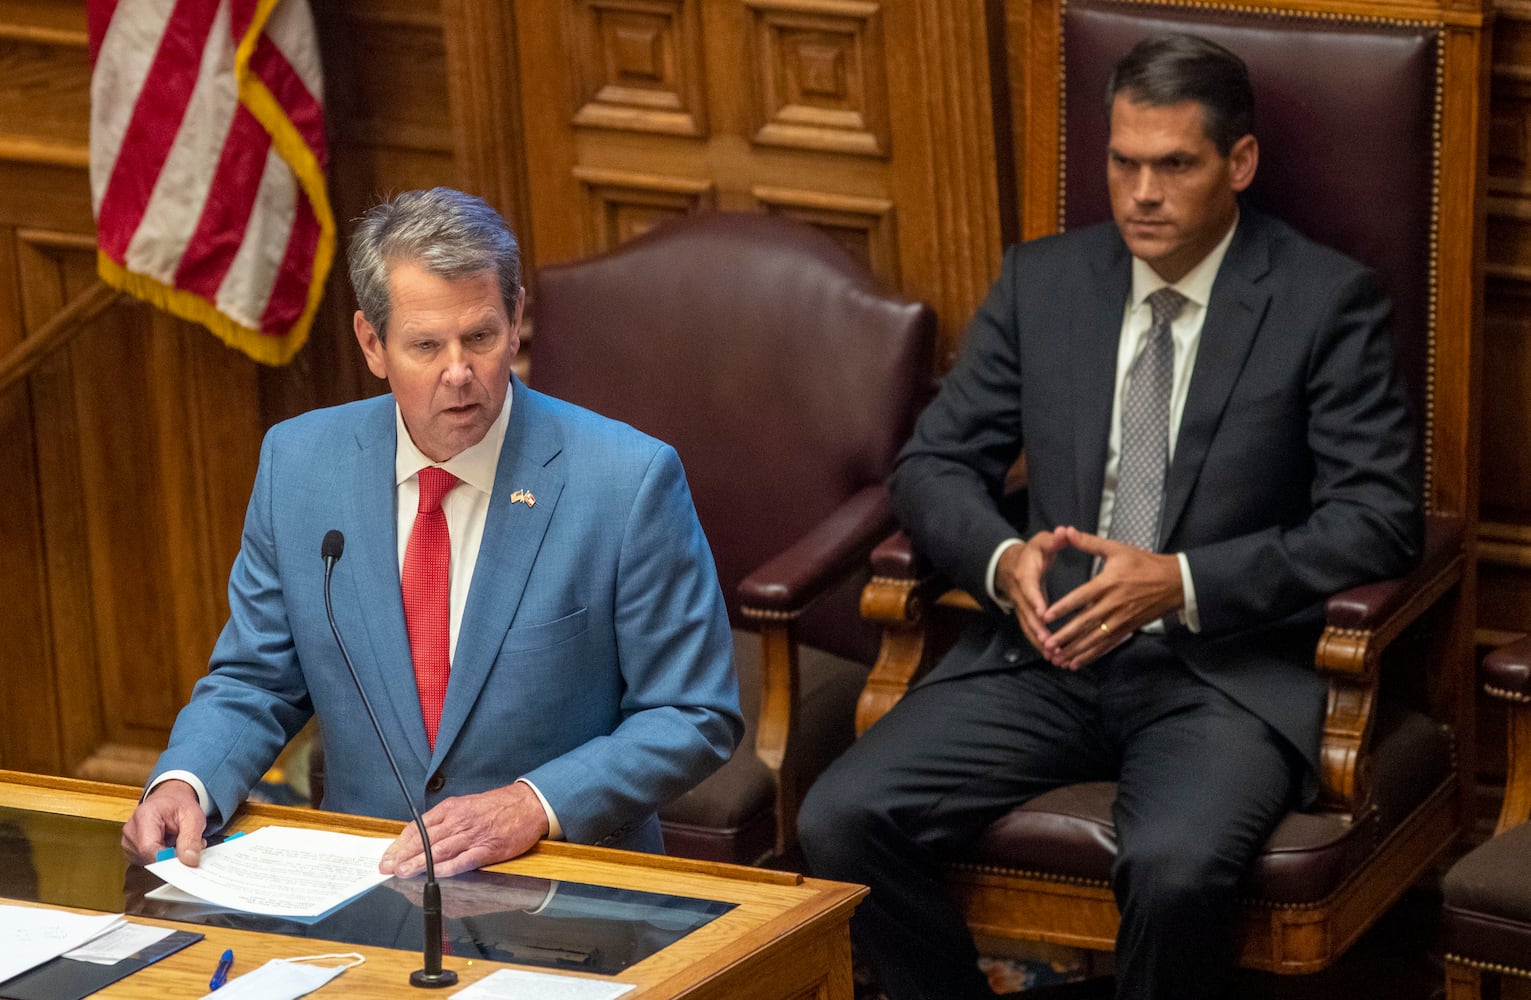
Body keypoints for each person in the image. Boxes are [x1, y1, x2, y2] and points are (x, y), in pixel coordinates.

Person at [797, 33, 1420, 1000]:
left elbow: (1376, 521)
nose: (1141, 194)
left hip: (1218, 676)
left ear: (1238, 163)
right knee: (840, 817)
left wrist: (1177, 582)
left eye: (1174, 165)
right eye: (1123, 163)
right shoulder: (1047, 283)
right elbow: (933, 464)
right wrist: (1002, 563)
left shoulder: (1322, 302)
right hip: (1042, 656)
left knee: (1173, 869)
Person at [122, 187, 742, 879]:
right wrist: (187, 780)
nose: (459, 373)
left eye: (479, 336)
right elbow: (257, 677)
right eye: (425, 345)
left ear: (515, 322)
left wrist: (533, 804)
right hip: (364, 884)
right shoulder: (299, 466)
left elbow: (691, 713)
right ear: (372, 344)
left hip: (562, 886)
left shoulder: (626, 481)